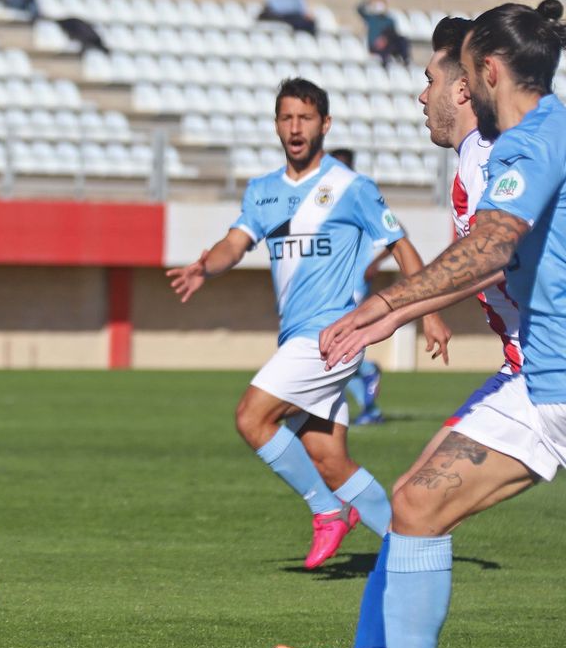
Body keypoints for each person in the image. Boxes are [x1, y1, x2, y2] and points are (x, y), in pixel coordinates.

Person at [296, 0, 566, 648]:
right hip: (540, 382)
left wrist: (388, 301)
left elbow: (490, 246)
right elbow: (496, 257)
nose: (440, 93)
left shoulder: (539, 139)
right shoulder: (527, 139)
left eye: (453, 75)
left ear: (485, 72)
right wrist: (397, 313)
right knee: (414, 502)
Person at [166, 78, 450, 570]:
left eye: (305, 117)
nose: (295, 128)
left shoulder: (350, 187)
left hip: (333, 336)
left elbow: (401, 246)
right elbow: (236, 243)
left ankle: (326, 512)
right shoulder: (264, 191)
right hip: (297, 335)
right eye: (286, 118)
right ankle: (408, 550)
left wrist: (432, 313)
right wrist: (205, 265)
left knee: (251, 417)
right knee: (329, 459)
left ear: (325, 124)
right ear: (277, 125)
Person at [327, 147, 386, 426]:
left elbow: (394, 233)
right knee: (328, 349)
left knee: (330, 344)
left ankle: (367, 371)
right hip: (333, 281)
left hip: (353, 283)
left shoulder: (361, 194)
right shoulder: (327, 197)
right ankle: (369, 408)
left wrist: (374, 264)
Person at [358, 0, 410, 67]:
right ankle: (384, 63)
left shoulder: (389, 20)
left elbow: (393, 33)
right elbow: (359, 10)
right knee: (384, 45)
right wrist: (368, 0)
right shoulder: (371, 19)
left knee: (402, 40)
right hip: (375, 46)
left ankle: (405, 60)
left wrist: (385, 39)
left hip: (388, 44)